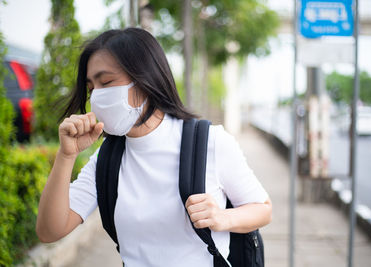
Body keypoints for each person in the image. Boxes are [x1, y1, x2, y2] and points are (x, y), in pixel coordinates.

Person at [36, 27, 272, 267]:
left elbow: (262, 209)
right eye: (91, 88)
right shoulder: (107, 158)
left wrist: (222, 217)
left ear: (145, 80)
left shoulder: (210, 142)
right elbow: (49, 231)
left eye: (106, 82)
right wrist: (67, 155)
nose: (97, 96)